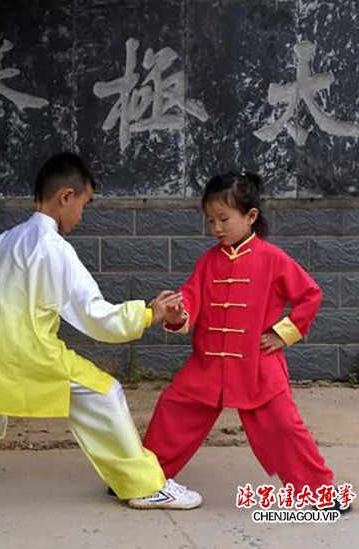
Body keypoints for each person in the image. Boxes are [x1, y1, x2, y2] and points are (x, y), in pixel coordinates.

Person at [0, 152, 202, 510]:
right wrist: (148, 314)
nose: (81, 216)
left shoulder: (7, 239)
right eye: (83, 205)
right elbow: (93, 314)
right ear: (66, 196)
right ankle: (142, 485)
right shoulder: (54, 249)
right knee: (105, 394)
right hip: (33, 352)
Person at [143, 170, 340, 507]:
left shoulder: (273, 259)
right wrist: (178, 315)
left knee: (284, 427)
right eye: (210, 221)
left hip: (257, 364)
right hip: (208, 364)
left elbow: (310, 295)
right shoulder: (207, 263)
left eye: (224, 219)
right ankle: (140, 479)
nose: (217, 228)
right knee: (172, 410)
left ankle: (321, 493)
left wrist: (283, 333)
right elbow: (190, 298)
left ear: (250, 216)